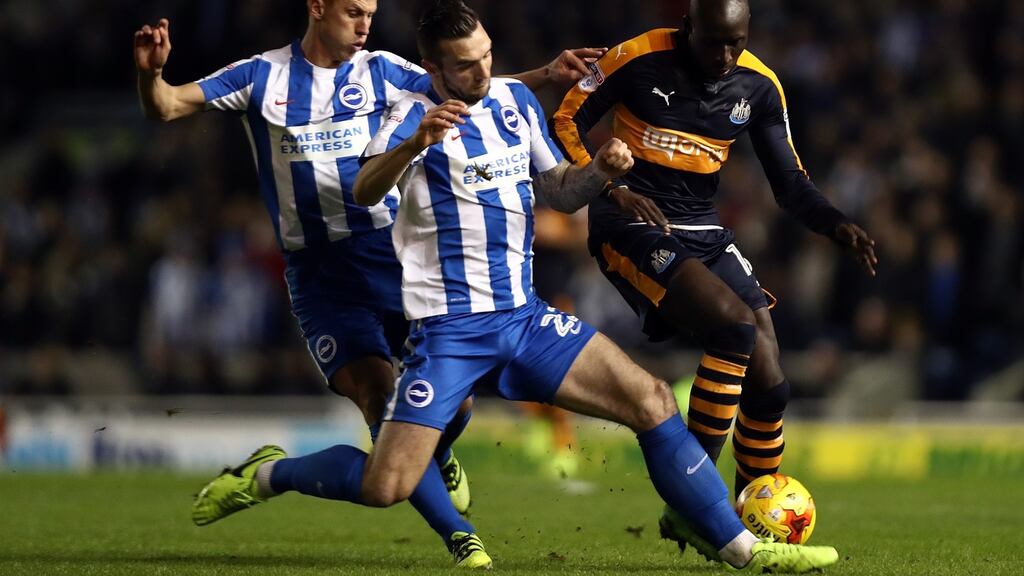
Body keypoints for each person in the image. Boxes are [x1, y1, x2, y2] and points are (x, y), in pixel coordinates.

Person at [194, 1, 839, 572]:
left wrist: (606, 175)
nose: (482, 74)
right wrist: (412, 145)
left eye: (487, 57)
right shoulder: (406, 114)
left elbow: (558, 190)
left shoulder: (514, 102)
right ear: (432, 67)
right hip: (448, 334)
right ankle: (272, 474)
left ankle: (744, 550)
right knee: (386, 486)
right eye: (465, 66)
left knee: (651, 401)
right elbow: (365, 189)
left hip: (524, 322)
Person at [133, 0, 603, 567]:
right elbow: (166, 107)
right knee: (382, 404)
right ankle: (460, 537)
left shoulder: (383, 69)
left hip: (394, 256)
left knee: (452, 408)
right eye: (354, 11)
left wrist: (543, 76)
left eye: (372, 13)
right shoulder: (261, 76)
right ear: (316, 7)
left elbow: (459, 83)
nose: (365, 25)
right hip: (323, 275)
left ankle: (279, 471)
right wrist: (150, 73)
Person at [551, 0, 877, 545]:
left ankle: (755, 524)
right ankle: (697, 506)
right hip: (630, 222)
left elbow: (790, 183)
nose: (726, 56)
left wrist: (836, 223)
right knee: (732, 326)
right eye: (714, 42)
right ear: (688, 28)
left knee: (770, 380)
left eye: (737, 42)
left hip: (701, 230)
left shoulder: (758, 85)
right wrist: (607, 186)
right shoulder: (636, 57)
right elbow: (565, 119)